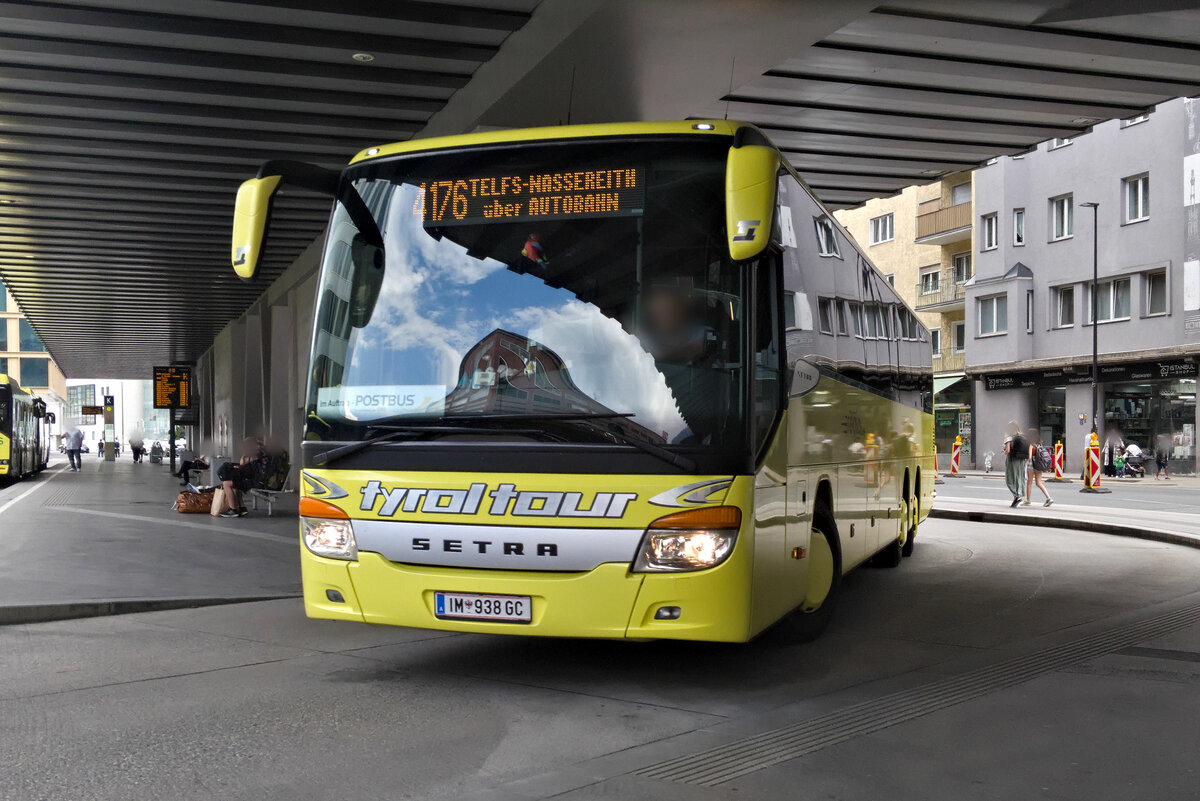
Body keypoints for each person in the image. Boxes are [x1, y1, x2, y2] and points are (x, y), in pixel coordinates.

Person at [216, 437, 268, 518]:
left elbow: (243, 464)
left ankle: (233, 510)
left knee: (226, 484)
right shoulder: (262, 453)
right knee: (236, 481)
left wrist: (245, 455)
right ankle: (242, 508)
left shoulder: (256, 455)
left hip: (259, 482)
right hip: (262, 480)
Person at [1024, 428, 1054, 507]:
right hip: (1039, 465)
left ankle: (1028, 500)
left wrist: (1024, 459)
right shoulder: (1039, 444)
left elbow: (1030, 457)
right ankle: (1048, 497)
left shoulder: (1031, 445)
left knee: (1029, 483)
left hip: (1031, 466)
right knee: (1039, 483)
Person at [1003, 421, 1028, 508]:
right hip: (1022, 459)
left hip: (1013, 459)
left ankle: (1016, 496)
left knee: (1010, 478)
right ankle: (1018, 495)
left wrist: (1004, 450)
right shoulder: (1022, 436)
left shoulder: (1008, 436)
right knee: (1020, 477)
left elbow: (1008, 450)